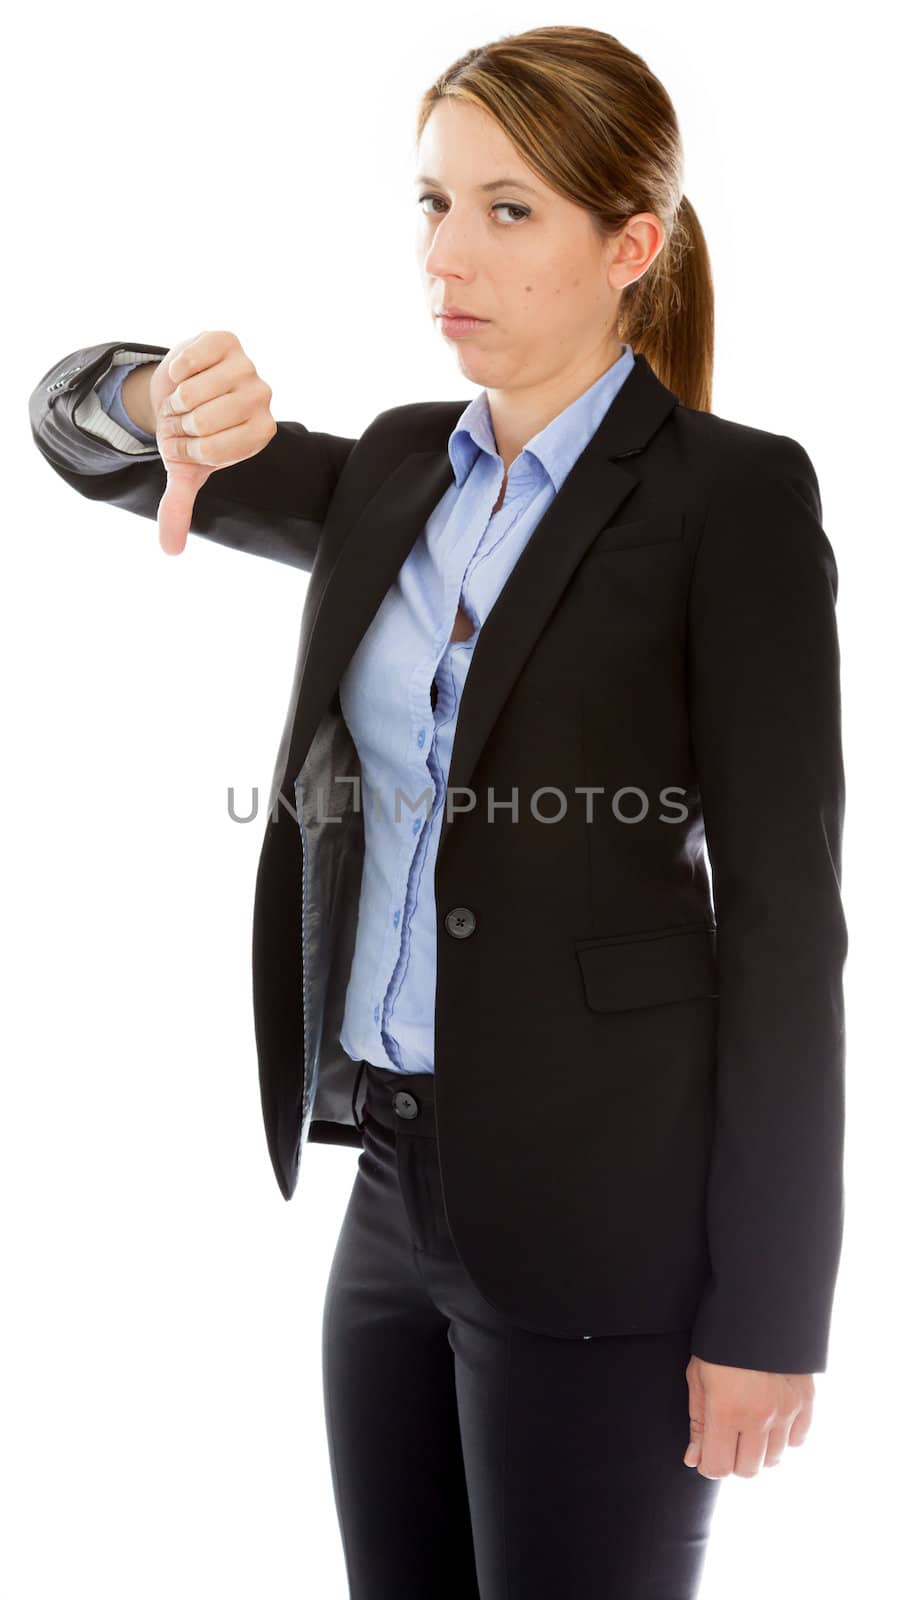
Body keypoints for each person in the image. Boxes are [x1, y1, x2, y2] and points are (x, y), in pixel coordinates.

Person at [28, 24, 847, 1599]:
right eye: (432, 204)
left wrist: (769, 1317)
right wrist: (148, 389)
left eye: (509, 210)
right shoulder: (399, 471)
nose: (447, 255)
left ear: (635, 244)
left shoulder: (726, 501)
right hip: (390, 1192)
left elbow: (788, 927)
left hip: (605, 1223)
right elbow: (107, 451)